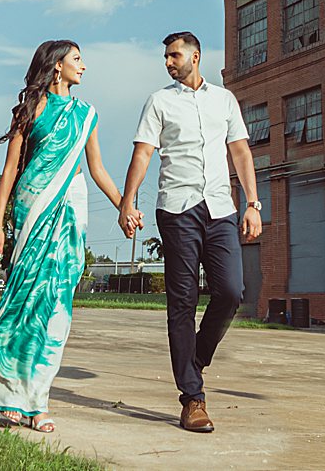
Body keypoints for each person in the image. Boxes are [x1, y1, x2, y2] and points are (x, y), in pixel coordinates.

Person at [0, 40, 126, 433]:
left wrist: (123, 205)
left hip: (70, 212)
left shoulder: (86, 114)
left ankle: (36, 399)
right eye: (77, 59)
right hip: (33, 209)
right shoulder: (32, 109)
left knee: (56, 308)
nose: (84, 66)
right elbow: (10, 170)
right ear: (57, 66)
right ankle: (8, 394)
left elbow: (97, 169)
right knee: (25, 302)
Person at [120, 31, 262, 434]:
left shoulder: (224, 100)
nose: (168, 61)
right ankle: (192, 397)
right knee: (181, 301)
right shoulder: (159, 101)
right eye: (165, 56)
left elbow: (240, 152)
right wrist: (127, 202)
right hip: (177, 210)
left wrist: (252, 204)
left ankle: (196, 355)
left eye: (174, 54)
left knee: (232, 291)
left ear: (195, 57)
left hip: (219, 209)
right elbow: (143, 152)